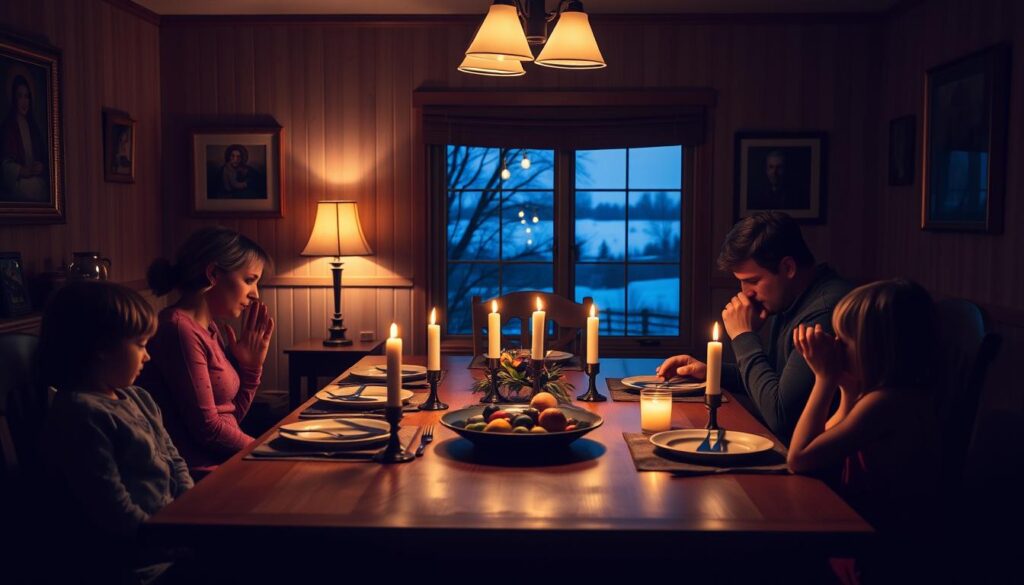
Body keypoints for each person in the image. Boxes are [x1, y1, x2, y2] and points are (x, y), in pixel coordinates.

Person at [39, 280, 193, 584]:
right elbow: (111, 506)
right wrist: (168, 543)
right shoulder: (81, 414)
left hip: (171, 536)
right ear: (101, 349)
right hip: (133, 563)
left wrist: (192, 510)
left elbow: (173, 459)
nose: (147, 356)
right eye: (140, 344)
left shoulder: (139, 397)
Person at [788, 279, 941, 583]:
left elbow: (801, 457)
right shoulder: (879, 397)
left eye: (844, 340)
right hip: (860, 534)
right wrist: (845, 387)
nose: (835, 346)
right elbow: (825, 441)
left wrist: (824, 379)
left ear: (878, 349)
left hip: (881, 556)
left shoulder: (887, 403)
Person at [657, 211, 851, 443]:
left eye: (753, 280)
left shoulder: (823, 313)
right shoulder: (792, 297)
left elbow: (780, 416)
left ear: (788, 268)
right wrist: (712, 372)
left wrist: (743, 336)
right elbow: (774, 382)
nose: (745, 292)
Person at [139, 226, 274, 477]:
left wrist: (251, 368)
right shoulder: (178, 330)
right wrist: (265, 449)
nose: (255, 294)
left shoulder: (208, 328)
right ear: (213, 274)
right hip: (197, 475)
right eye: (249, 280)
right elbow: (208, 429)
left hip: (222, 464)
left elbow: (229, 417)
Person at [0, 75, 48, 201]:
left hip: (35, 179)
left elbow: (44, 158)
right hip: (18, 181)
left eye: (27, 96)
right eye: (20, 96)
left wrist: (40, 166)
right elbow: (4, 166)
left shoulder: (33, 127)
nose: (24, 101)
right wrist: (22, 170)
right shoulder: (8, 126)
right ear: (14, 98)